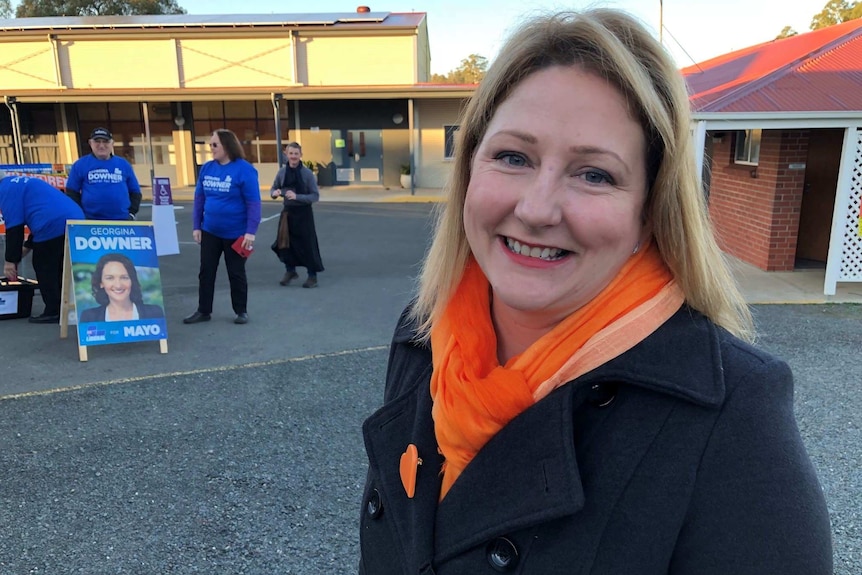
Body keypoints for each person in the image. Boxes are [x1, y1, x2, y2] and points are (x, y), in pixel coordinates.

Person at [359, 9, 832, 575]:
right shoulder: (425, 332)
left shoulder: (730, 411)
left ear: (650, 214)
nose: (535, 209)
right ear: (469, 170)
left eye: (594, 174)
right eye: (513, 157)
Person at [184, 129, 261, 325]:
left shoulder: (244, 170)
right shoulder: (207, 168)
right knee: (206, 271)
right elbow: (199, 198)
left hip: (236, 234)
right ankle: (204, 310)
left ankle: (241, 310)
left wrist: (250, 232)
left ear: (227, 146)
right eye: (210, 145)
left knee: (236, 272)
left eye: (215, 145)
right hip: (210, 230)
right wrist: (196, 226)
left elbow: (253, 203)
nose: (211, 148)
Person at [0, 171, 84, 323]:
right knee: (61, 266)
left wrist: (10, 261)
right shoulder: (19, 183)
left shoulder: (5, 191)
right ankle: (70, 306)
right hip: (73, 217)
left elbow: (14, 227)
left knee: (44, 265)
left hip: (53, 224)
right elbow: (40, 213)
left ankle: (54, 310)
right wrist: (24, 250)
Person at [270, 142, 324, 288]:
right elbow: (274, 188)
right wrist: (274, 194)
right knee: (284, 244)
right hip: (287, 213)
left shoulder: (307, 174)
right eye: (291, 154)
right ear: (286, 155)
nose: (293, 157)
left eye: (296, 154)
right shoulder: (281, 172)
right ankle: (290, 271)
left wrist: (297, 197)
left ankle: (312, 276)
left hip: (304, 214)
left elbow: (315, 196)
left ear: (301, 155)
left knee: (307, 245)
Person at [65, 127, 142, 221]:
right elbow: (71, 193)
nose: (101, 145)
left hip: (122, 221)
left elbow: (135, 192)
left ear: (112, 143)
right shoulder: (80, 165)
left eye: (105, 141)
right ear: (90, 143)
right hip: (91, 222)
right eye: (97, 141)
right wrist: (80, 215)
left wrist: (131, 213)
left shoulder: (123, 164)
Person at [79, 253, 164, 322]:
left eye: (124, 277)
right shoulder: (89, 317)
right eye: (110, 278)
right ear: (101, 283)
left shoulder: (154, 313)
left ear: (132, 280)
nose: (118, 285)